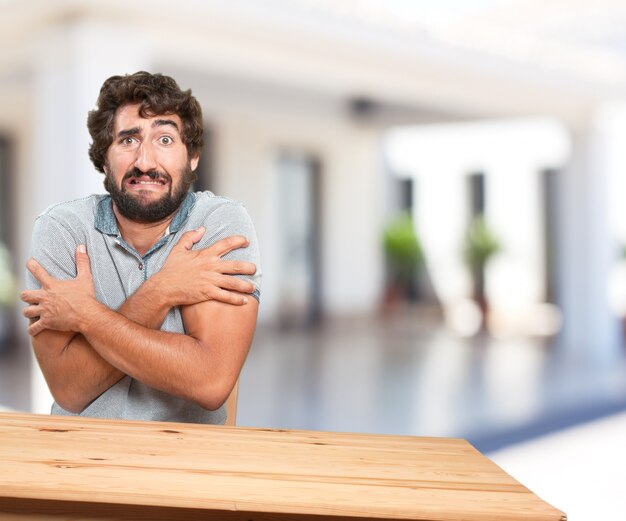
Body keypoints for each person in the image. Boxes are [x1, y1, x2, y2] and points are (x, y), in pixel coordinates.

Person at [20, 71, 261, 425]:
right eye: (128, 140)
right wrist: (164, 289)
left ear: (192, 156)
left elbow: (209, 382)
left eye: (165, 139)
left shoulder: (221, 224)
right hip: (82, 456)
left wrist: (85, 314)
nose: (145, 162)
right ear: (105, 158)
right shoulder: (62, 229)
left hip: (186, 461)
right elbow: (70, 389)